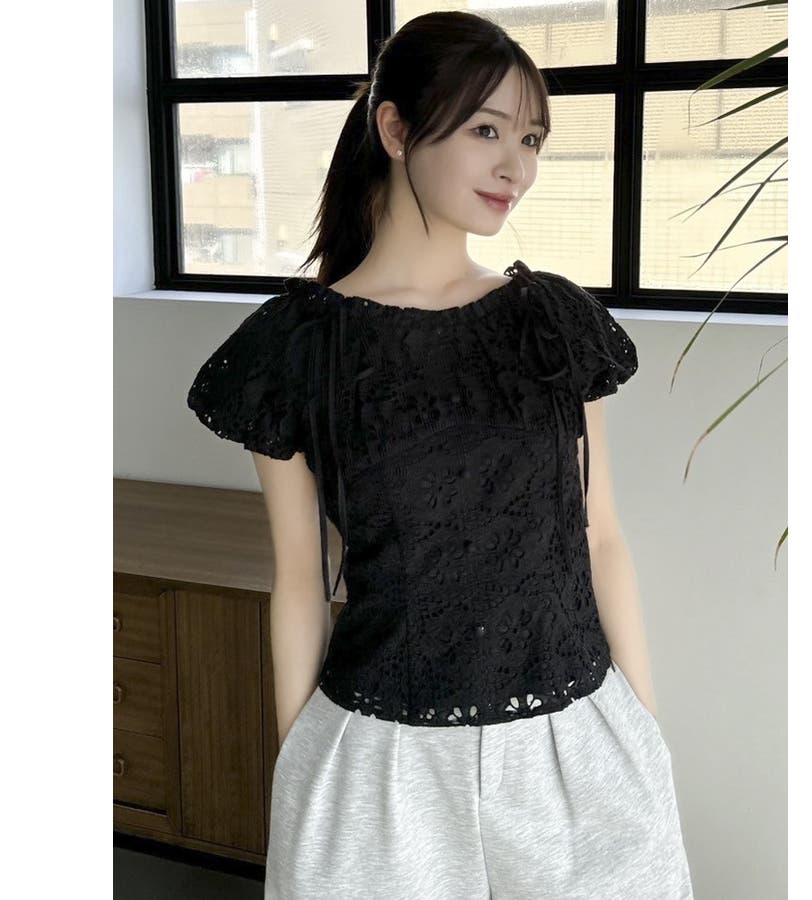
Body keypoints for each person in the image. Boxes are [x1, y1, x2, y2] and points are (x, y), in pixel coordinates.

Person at [187, 10, 693, 900]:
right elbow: (301, 577)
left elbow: (599, 534)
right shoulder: (296, 348)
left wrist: (643, 730)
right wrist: (298, 767)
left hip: (575, 745)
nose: (517, 167)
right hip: (380, 761)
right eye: (486, 131)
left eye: (530, 140)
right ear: (395, 129)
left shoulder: (551, 320)